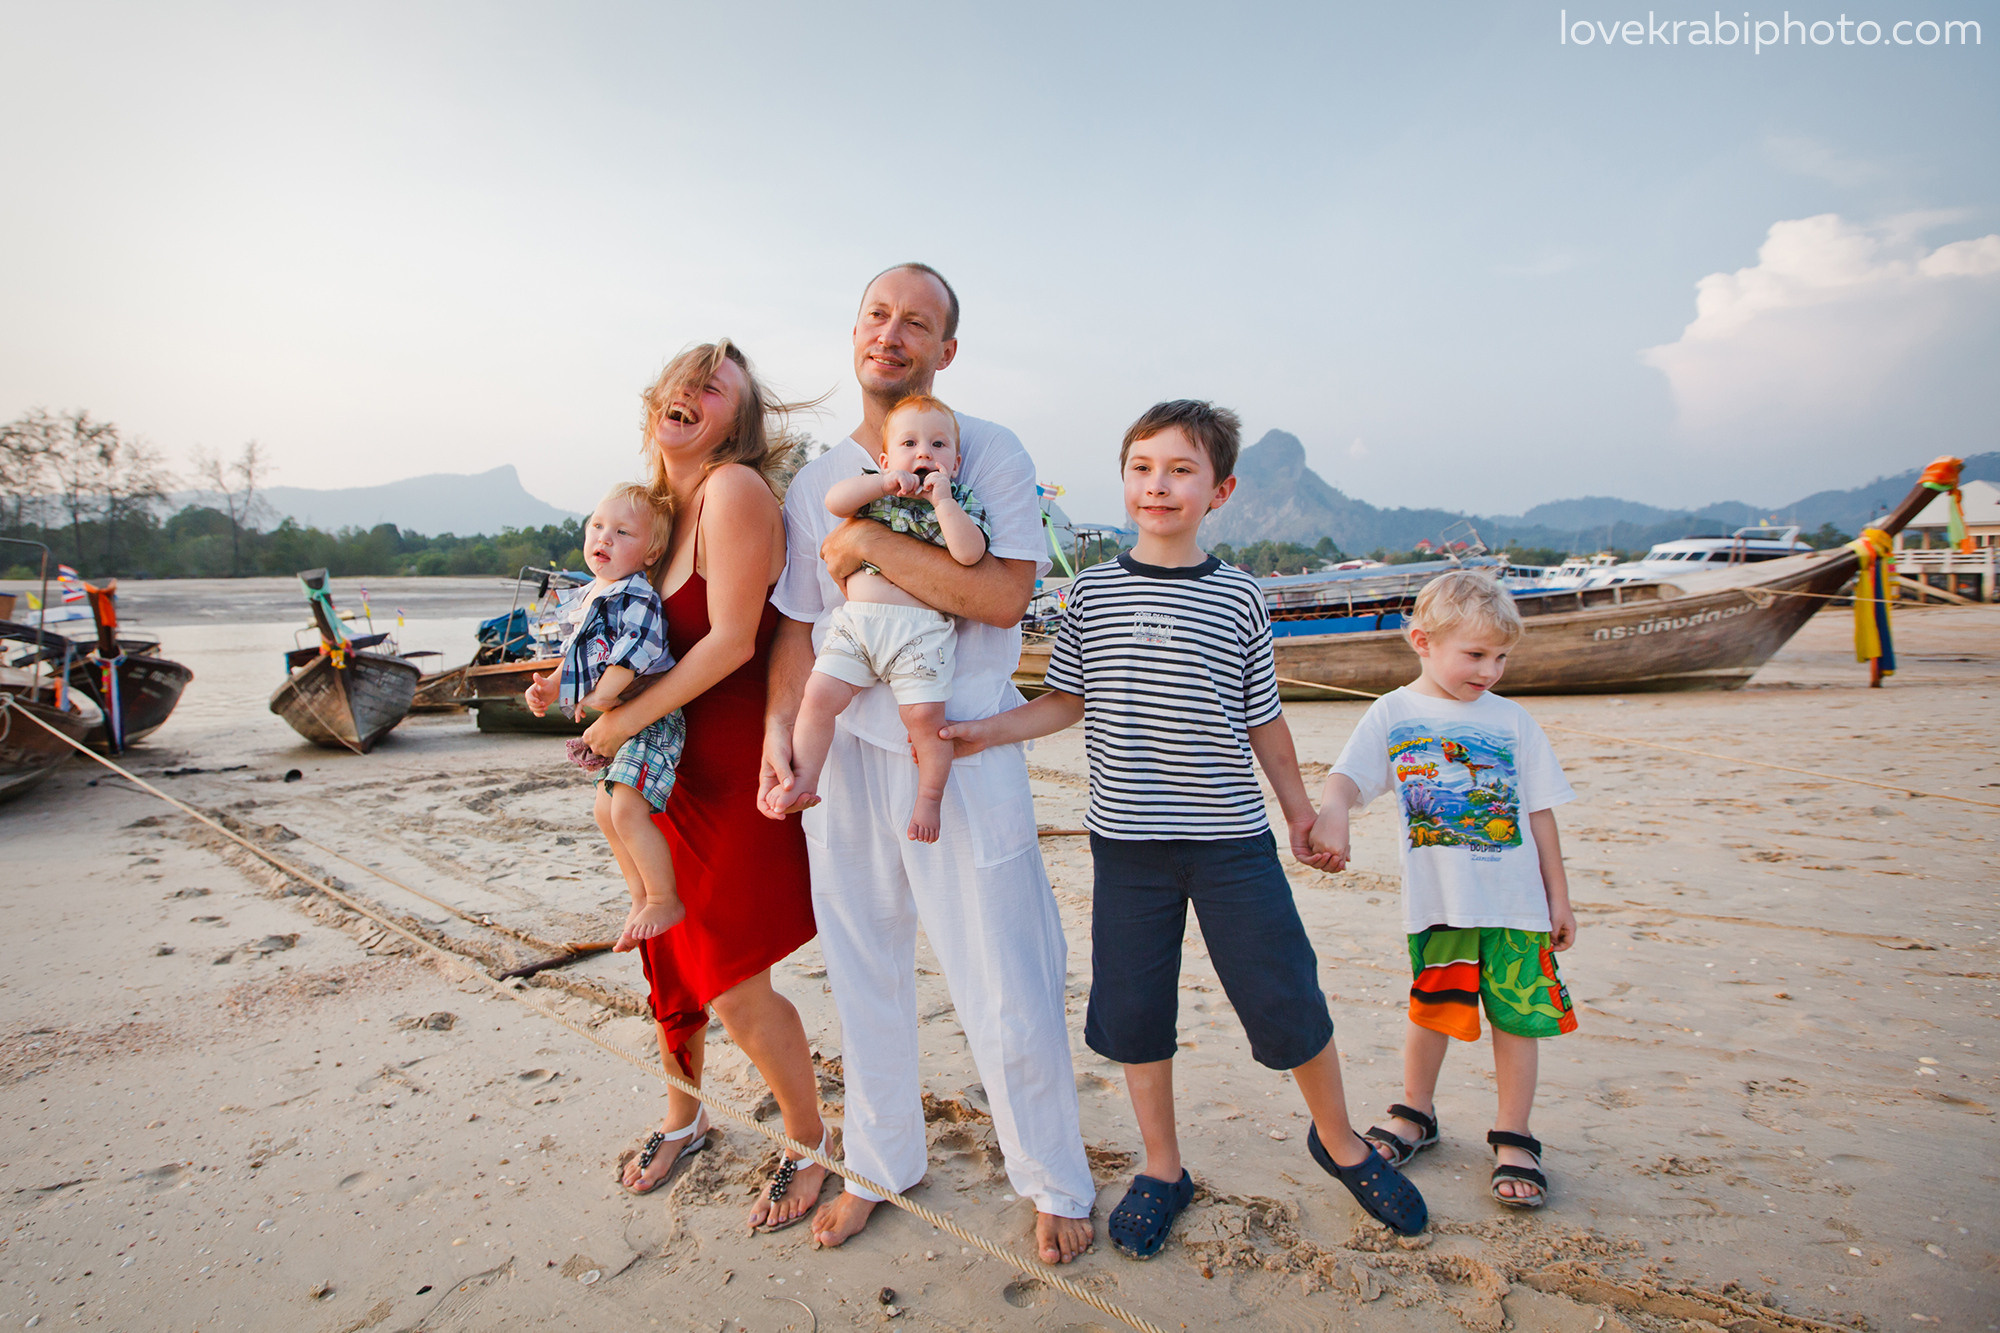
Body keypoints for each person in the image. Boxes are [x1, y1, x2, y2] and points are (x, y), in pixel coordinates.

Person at [941, 400, 1429, 1252]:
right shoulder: (1090, 593)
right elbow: (1064, 700)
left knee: (1285, 995)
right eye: (1141, 467)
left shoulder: (1240, 596)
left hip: (1232, 843)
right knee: (1135, 1010)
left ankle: (1342, 1141)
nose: (1156, 485)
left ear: (1220, 489)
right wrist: (986, 729)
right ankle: (1162, 1165)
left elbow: (1264, 721)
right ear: (1123, 480)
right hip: (1126, 847)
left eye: (1179, 470)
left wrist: (1302, 812)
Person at [758, 263, 1096, 1265]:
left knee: (1003, 963)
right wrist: (780, 733)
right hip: (844, 748)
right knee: (861, 959)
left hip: (954, 733)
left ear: (945, 350)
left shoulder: (982, 449)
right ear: (853, 330)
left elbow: (994, 597)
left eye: (917, 322)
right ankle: (878, 1160)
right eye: (876, 314)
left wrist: (863, 539)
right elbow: (793, 623)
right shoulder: (817, 477)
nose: (890, 332)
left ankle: (1049, 1175)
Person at [579, 339, 830, 1232]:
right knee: (667, 955)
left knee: (731, 978)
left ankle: (807, 1140)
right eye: (681, 380)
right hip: (661, 771)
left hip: (728, 764)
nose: (690, 392)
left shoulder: (732, 490)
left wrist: (620, 724)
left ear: (738, 420)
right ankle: (682, 1114)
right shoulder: (647, 508)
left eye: (713, 387)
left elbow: (729, 640)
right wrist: (573, 692)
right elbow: (625, 637)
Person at [1309, 569, 1579, 1208]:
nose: (1490, 670)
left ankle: (1514, 1134)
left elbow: (1540, 813)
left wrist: (1558, 898)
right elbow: (1346, 777)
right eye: (1476, 654)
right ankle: (1415, 1113)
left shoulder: (1513, 722)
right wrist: (1336, 813)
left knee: (1517, 1018)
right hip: (1439, 905)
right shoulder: (1395, 712)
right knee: (1431, 1007)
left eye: (1501, 656)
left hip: (1517, 906)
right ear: (1422, 640)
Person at [763, 392, 989, 842]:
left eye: (938, 445)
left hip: (920, 634)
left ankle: (928, 798)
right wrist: (883, 483)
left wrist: (943, 502)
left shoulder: (960, 502)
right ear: (887, 458)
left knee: (926, 718)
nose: (924, 452)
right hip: (857, 625)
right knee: (819, 698)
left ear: (956, 463)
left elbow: (970, 553)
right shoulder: (874, 489)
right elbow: (834, 500)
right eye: (910, 443)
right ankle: (805, 779)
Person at [525, 483, 687, 946]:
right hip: (621, 715)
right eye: (598, 526)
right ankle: (638, 895)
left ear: (651, 553)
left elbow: (638, 648)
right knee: (604, 812)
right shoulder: (590, 596)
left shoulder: (636, 595)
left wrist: (603, 695)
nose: (605, 538)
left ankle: (663, 898)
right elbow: (574, 654)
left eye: (621, 532)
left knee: (628, 809)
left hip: (650, 714)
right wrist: (551, 687)